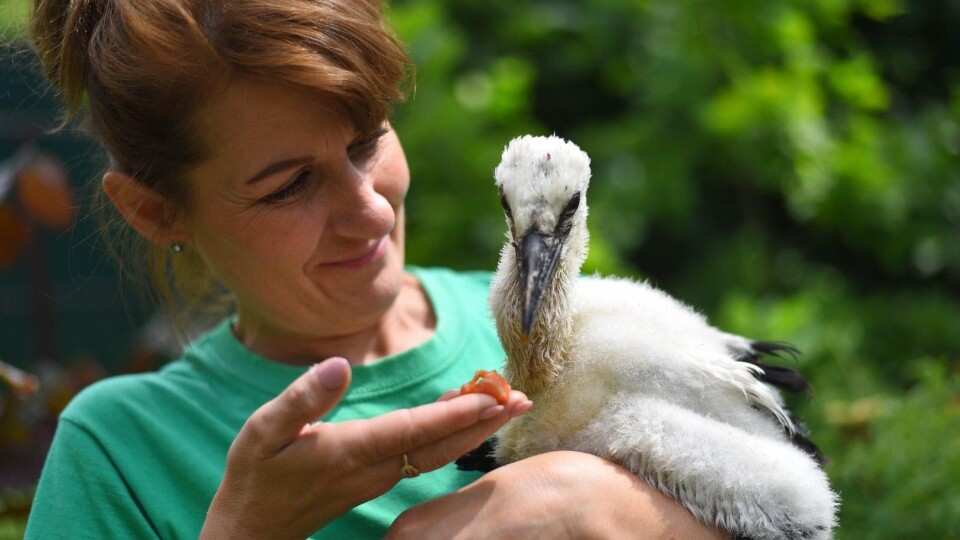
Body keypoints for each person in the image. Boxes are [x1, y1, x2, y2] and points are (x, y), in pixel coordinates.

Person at [23, 0, 726, 538]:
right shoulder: (119, 454)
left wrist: (592, 503)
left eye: (368, 142)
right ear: (155, 212)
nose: (375, 214)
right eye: (290, 185)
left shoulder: (587, 333)